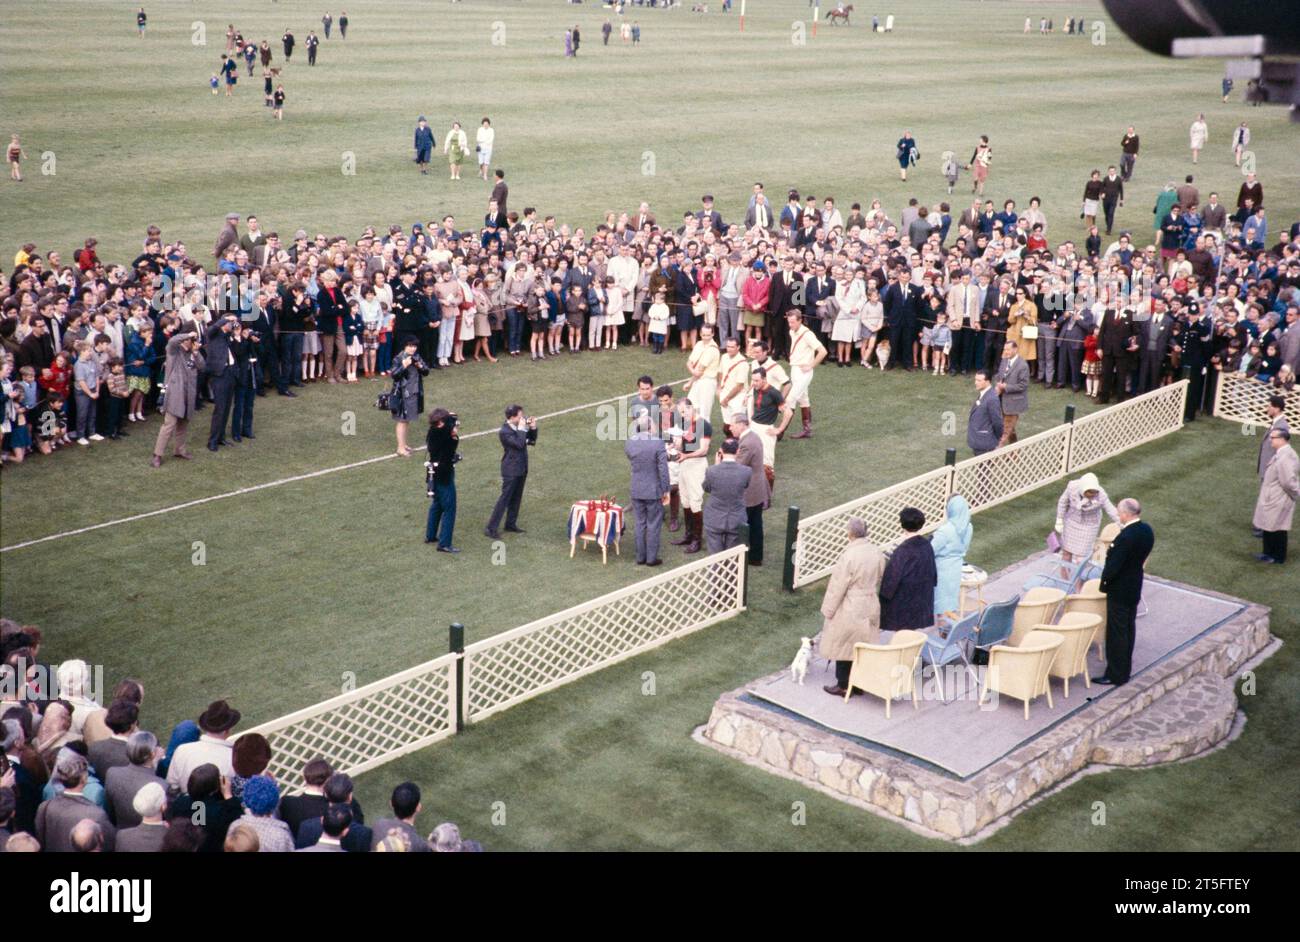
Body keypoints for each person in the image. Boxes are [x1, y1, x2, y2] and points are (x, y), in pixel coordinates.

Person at [818, 518, 885, 697]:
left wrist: (829, 610)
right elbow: (880, 576)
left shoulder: (849, 556)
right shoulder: (876, 552)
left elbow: (838, 586)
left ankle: (843, 684)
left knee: (844, 643)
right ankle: (858, 683)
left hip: (852, 603)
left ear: (850, 534)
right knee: (863, 643)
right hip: (870, 600)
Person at [1092, 498, 1154, 686]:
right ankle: (1124, 669)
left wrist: (1105, 583)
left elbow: (1113, 566)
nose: (1119, 515)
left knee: (1117, 633)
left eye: (1120, 512)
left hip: (1119, 589)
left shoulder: (1126, 537)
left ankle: (1116, 674)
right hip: (1134, 585)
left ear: (1126, 514)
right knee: (1128, 628)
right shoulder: (1146, 531)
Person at [485, 404, 537, 539]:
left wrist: (532, 428)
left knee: (516, 498)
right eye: (520, 416)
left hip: (521, 468)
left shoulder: (517, 428)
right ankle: (490, 528)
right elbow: (520, 444)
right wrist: (521, 428)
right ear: (512, 417)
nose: (522, 418)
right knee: (504, 499)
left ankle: (510, 524)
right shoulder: (504, 432)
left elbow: (531, 441)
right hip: (511, 470)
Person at [626, 413, 670, 566]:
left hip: (637, 488)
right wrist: (666, 490)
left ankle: (640, 557)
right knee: (653, 524)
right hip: (653, 490)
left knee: (639, 523)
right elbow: (663, 469)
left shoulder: (630, 442)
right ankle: (651, 558)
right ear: (650, 427)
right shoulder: (657, 443)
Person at [669, 397, 711, 553]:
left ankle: (697, 540)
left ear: (690, 408)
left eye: (683, 411)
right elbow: (680, 444)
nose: (682, 415)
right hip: (684, 464)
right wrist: (674, 445)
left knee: (695, 501)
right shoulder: (683, 424)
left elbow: (704, 449)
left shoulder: (703, 425)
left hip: (696, 465)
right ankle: (688, 535)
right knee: (685, 500)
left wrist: (686, 456)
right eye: (680, 412)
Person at [1254, 428, 1298, 564]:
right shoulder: (1282, 453)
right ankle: (1267, 553)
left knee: (1278, 527)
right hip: (1273, 496)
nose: (1270, 440)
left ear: (1281, 439)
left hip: (1278, 497)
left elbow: (1289, 482)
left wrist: (1294, 496)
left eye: (1272, 438)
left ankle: (1278, 557)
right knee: (1269, 525)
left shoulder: (1286, 456)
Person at [1055, 472, 1120, 563]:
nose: (1093, 494)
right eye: (1090, 492)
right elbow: (1063, 502)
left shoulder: (1101, 496)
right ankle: (1065, 577)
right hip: (1071, 522)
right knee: (1066, 553)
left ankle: (1077, 577)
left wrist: (1124, 525)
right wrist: (1059, 520)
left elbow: (1112, 511)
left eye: (1095, 491)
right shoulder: (1072, 487)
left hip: (1089, 526)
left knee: (1080, 559)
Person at [702, 437, 751, 552]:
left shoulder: (711, 470)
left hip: (714, 517)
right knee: (732, 556)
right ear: (738, 451)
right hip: (736, 517)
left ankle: (715, 570)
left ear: (721, 451)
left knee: (715, 556)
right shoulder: (746, 471)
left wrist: (715, 465)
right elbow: (745, 486)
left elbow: (707, 488)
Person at [785, 311, 827, 438]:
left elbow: (823, 351)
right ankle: (807, 430)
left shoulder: (807, 334)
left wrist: (811, 365)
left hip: (804, 371)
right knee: (803, 399)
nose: (790, 325)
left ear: (800, 320)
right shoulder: (792, 331)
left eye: (792, 322)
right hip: (795, 369)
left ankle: (780, 431)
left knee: (790, 399)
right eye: (789, 322)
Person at [931, 495, 972, 621]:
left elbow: (930, 551)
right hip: (956, 568)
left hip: (942, 571)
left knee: (942, 610)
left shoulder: (944, 531)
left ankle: (945, 638)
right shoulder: (968, 527)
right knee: (951, 605)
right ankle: (951, 635)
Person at [425, 408, 460, 553]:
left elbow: (449, 425)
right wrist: (454, 431)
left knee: (437, 504)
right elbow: (453, 441)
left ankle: (431, 535)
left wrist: (451, 419)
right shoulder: (445, 434)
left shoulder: (433, 432)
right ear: (441, 423)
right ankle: (444, 543)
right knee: (449, 508)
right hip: (444, 474)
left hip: (433, 473)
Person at [388, 337, 428, 457]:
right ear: (405, 346)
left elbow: (426, 371)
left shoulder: (417, 357)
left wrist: (420, 366)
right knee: (401, 420)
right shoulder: (398, 358)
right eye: (410, 346)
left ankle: (403, 444)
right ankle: (400, 448)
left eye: (414, 346)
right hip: (402, 394)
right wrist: (403, 366)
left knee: (406, 420)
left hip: (414, 392)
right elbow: (394, 375)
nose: (413, 348)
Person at [995, 339, 1029, 445]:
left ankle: (993, 456)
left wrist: (1006, 387)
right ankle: (1015, 452)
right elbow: (999, 375)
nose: (1006, 352)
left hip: (1013, 403)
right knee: (1010, 429)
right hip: (1001, 401)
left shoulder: (1022, 365)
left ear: (1015, 349)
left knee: (1004, 432)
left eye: (1008, 350)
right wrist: (998, 384)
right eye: (1005, 349)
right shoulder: (1004, 360)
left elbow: (1023, 386)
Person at [967, 368, 1003, 455]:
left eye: (979, 380)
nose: (976, 383)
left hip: (984, 443)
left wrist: (995, 438)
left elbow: (997, 422)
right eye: (975, 380)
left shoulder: (991, 398)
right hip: (980, 441)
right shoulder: (984, 394)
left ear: (987, 382)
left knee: (984, 468)